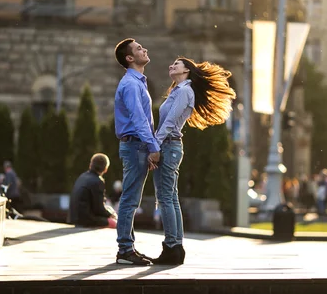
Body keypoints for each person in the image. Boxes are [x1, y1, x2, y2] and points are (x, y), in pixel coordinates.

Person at [150, 57, 236, 265]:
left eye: (176, 64)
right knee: (171, 197)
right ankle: (175, 247)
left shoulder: (184, 91)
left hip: (168, 145)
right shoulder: (178, 90)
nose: (171, 66)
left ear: (186, 70)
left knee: (166, 198)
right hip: (170, 145)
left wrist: (154, 145)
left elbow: (170, 122)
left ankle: (172, 246)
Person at [113, 38, 161, 266]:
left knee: (132, 198)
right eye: (139, 49)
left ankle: (128, 247)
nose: (145, 49)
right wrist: (152, 147)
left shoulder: (137, 82)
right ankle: (124, 250)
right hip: (135, 145)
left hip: (136, 145)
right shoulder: (131, 84)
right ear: (130, 58)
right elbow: (139, 119)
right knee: (130, 199)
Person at [68, 153, 117, 228]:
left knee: (109, 209)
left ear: (90, 165)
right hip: (86, 220)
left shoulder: (82, 176)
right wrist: (111, 215)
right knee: (114, 223)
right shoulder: (98, 181)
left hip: (74, 218)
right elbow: (99, 209)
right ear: (106, 169)